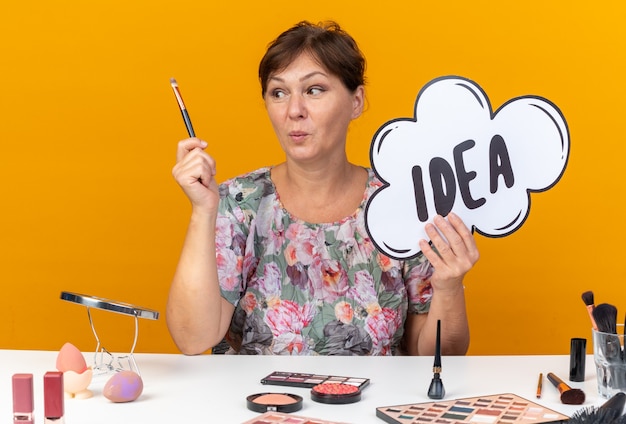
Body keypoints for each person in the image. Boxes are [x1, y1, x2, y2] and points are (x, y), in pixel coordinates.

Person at [166, 20, 479, 356]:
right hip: (260, 406)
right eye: (279, 93)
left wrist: (447, 289)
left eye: (314, 90)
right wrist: (203, 210)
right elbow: (192, 338)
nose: (294, 111)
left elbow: (431, 356)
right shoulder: (239, 203)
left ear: (356, 101)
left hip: (372, 406)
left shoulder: (400, 202)